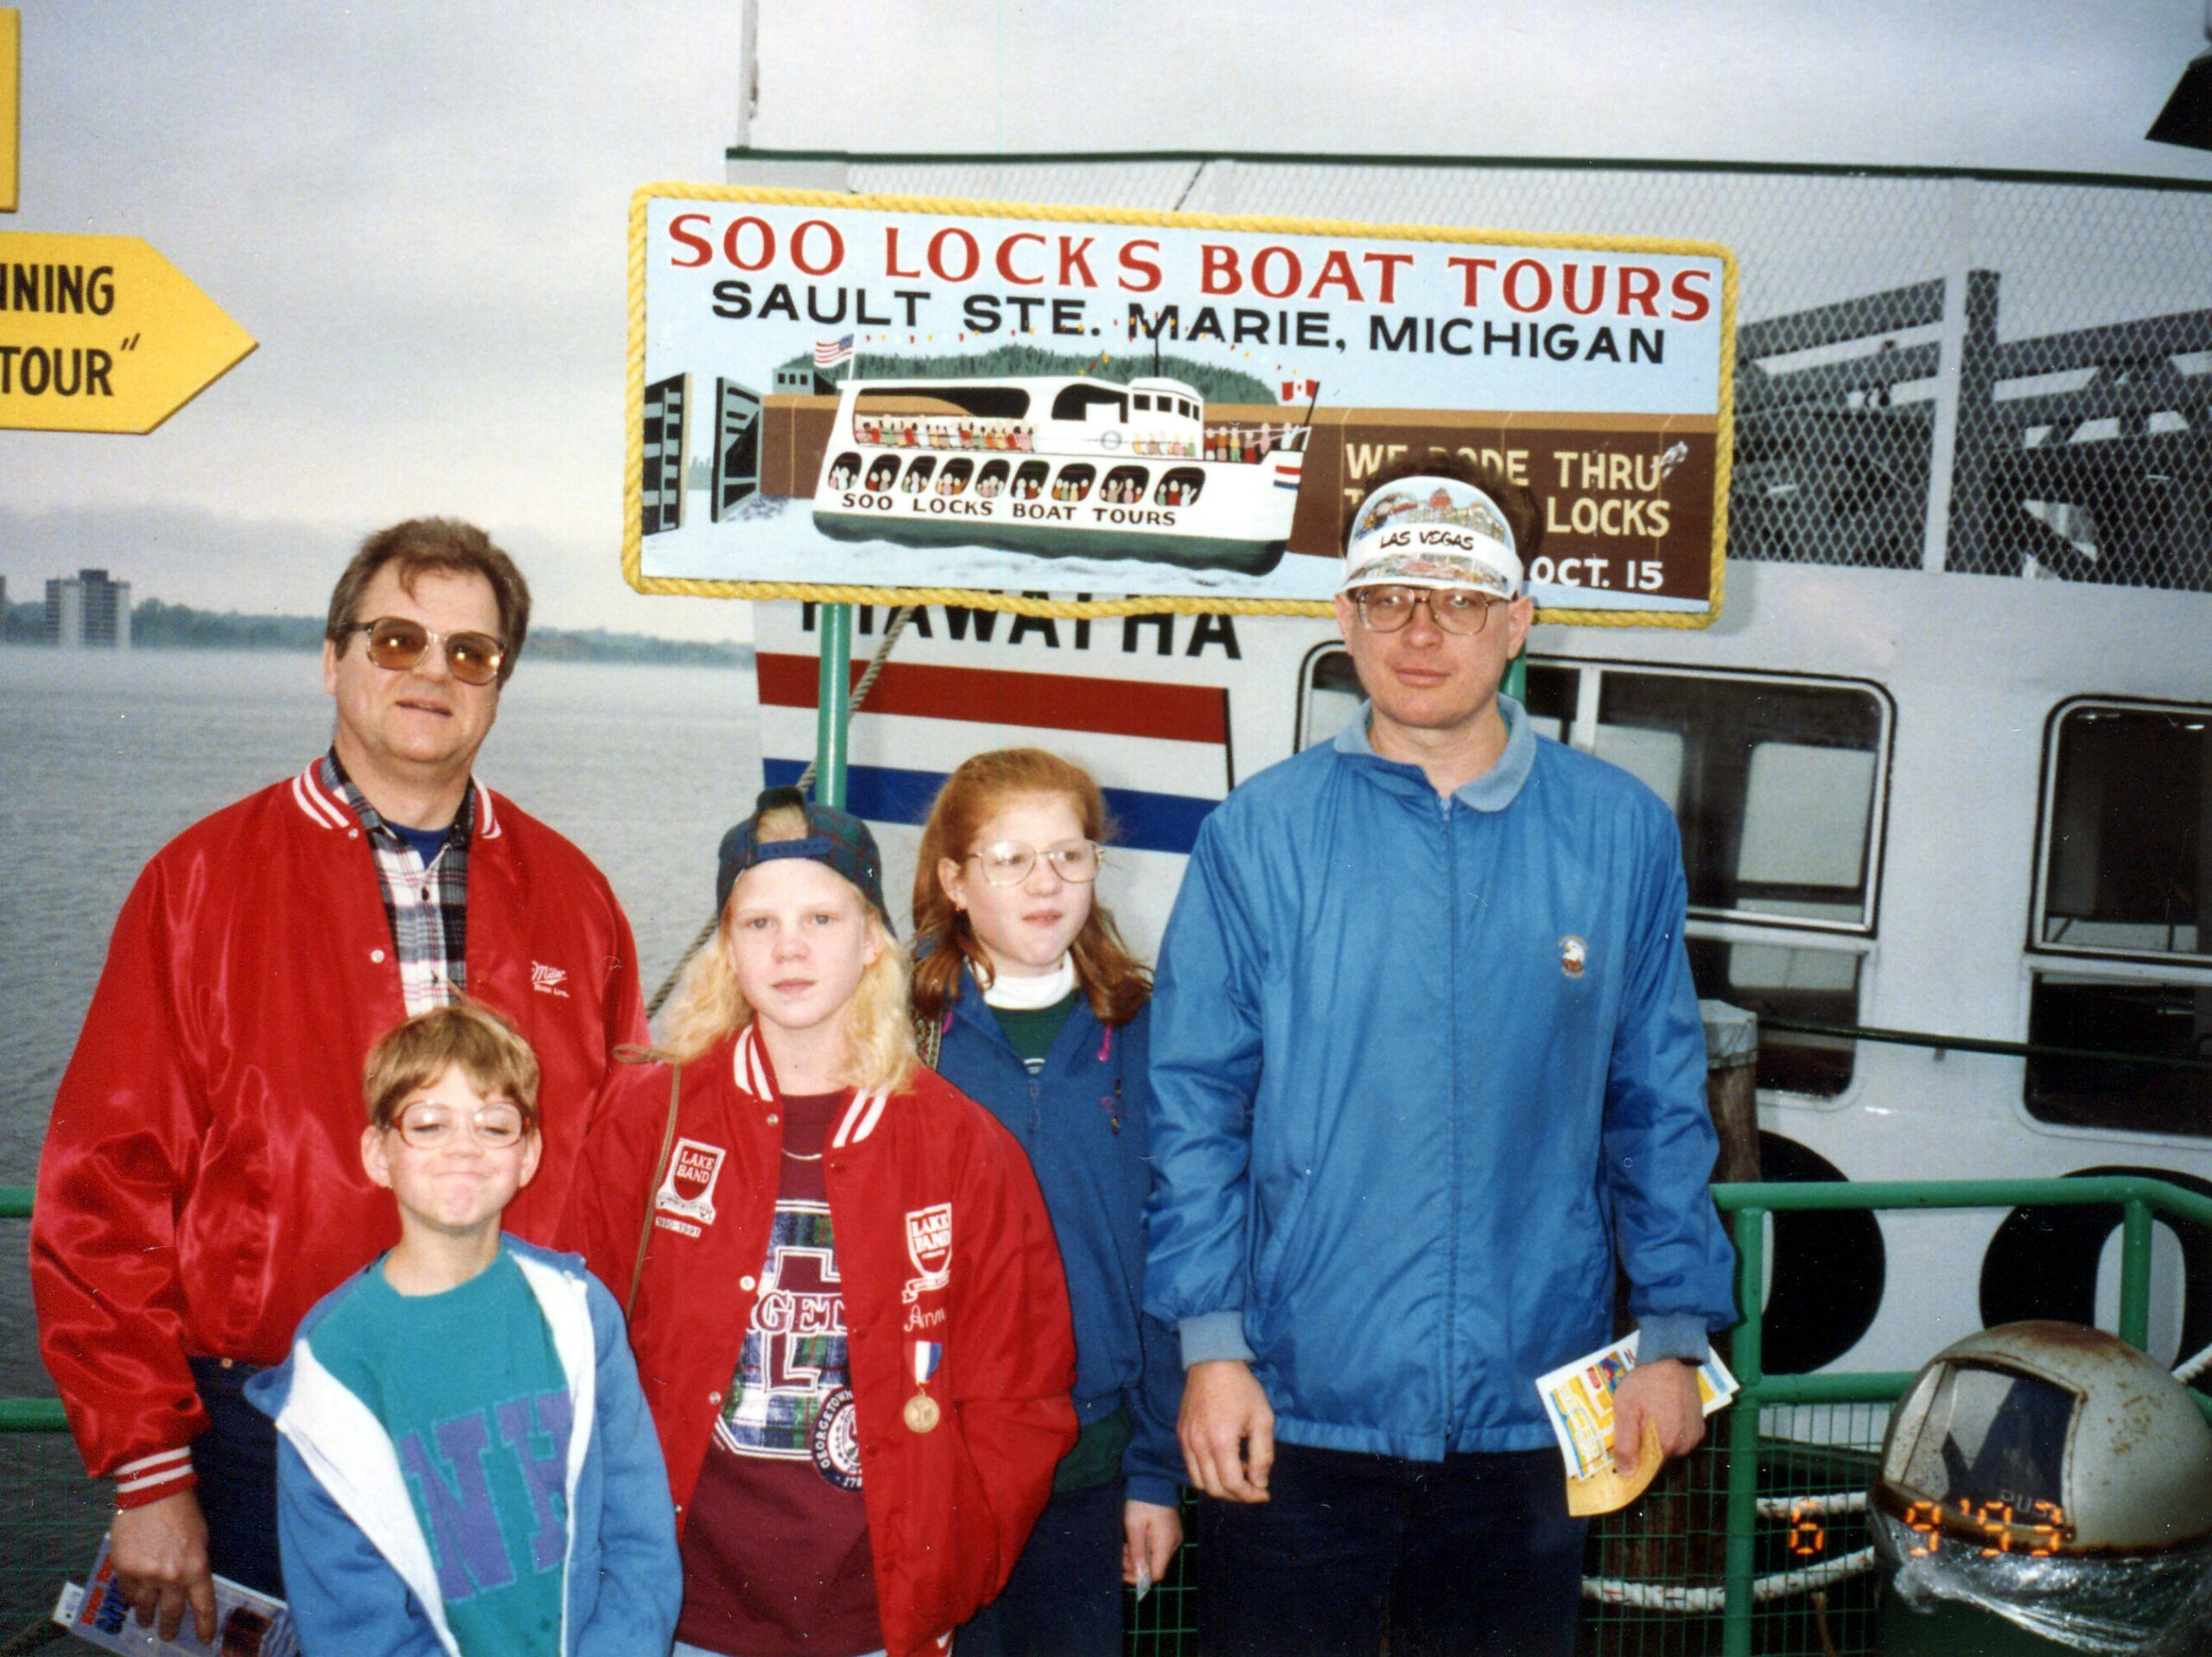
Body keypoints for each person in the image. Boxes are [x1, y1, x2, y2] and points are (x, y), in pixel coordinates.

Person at [1143, 454, 1738, 1657]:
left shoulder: (1618, 830)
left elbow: (1658, 1102)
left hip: (1530, 1411)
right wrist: (1211, 1351)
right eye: (1389, 597)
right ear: (1344, 615)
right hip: (1293, 1407)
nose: (1420, 632)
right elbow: (1194, 1111)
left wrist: (1675, 1331)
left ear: (1518, 620)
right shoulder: (1258, 833)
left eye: (1460, 600)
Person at [32, 518, 647, 1643]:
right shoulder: (201, 882)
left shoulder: (575, 893)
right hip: (266, 1427)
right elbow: (102, 1185)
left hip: (507, 1416)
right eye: (398, 638)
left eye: (471, 651)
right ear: (332, 658)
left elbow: (621, 1170)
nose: (433, 671)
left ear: (500, 682)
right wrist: (150, 1467)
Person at [564, 786, 1077, 1657]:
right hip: (676, 1613)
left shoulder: (962, 1146)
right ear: (726, 947)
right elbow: (575, 1354)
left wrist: (952, 1569)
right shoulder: (647, 1120)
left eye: (822, 919)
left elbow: (1018, 1392)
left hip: (875, 1621)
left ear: (874, 939)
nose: (789, 947)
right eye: (758, 923)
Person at [246, 1000, 681, 1657]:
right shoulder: (332, 1367)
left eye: (494, 1125)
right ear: (378, 1153)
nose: (463, 1148)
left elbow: (640, 1539)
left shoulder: (578, 1312)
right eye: (428, 1124)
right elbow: (352, 1623)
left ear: (528, 1154)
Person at [912, 751, 1184, 1657]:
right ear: (954, 880)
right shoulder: (895, 1032)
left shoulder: (1147, 1029)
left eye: (1070, 856)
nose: (1045, 883)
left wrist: (1154, 1471)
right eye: (1009, 859)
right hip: (932, 1455)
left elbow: (1173, 1256)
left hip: (1091, 1460)